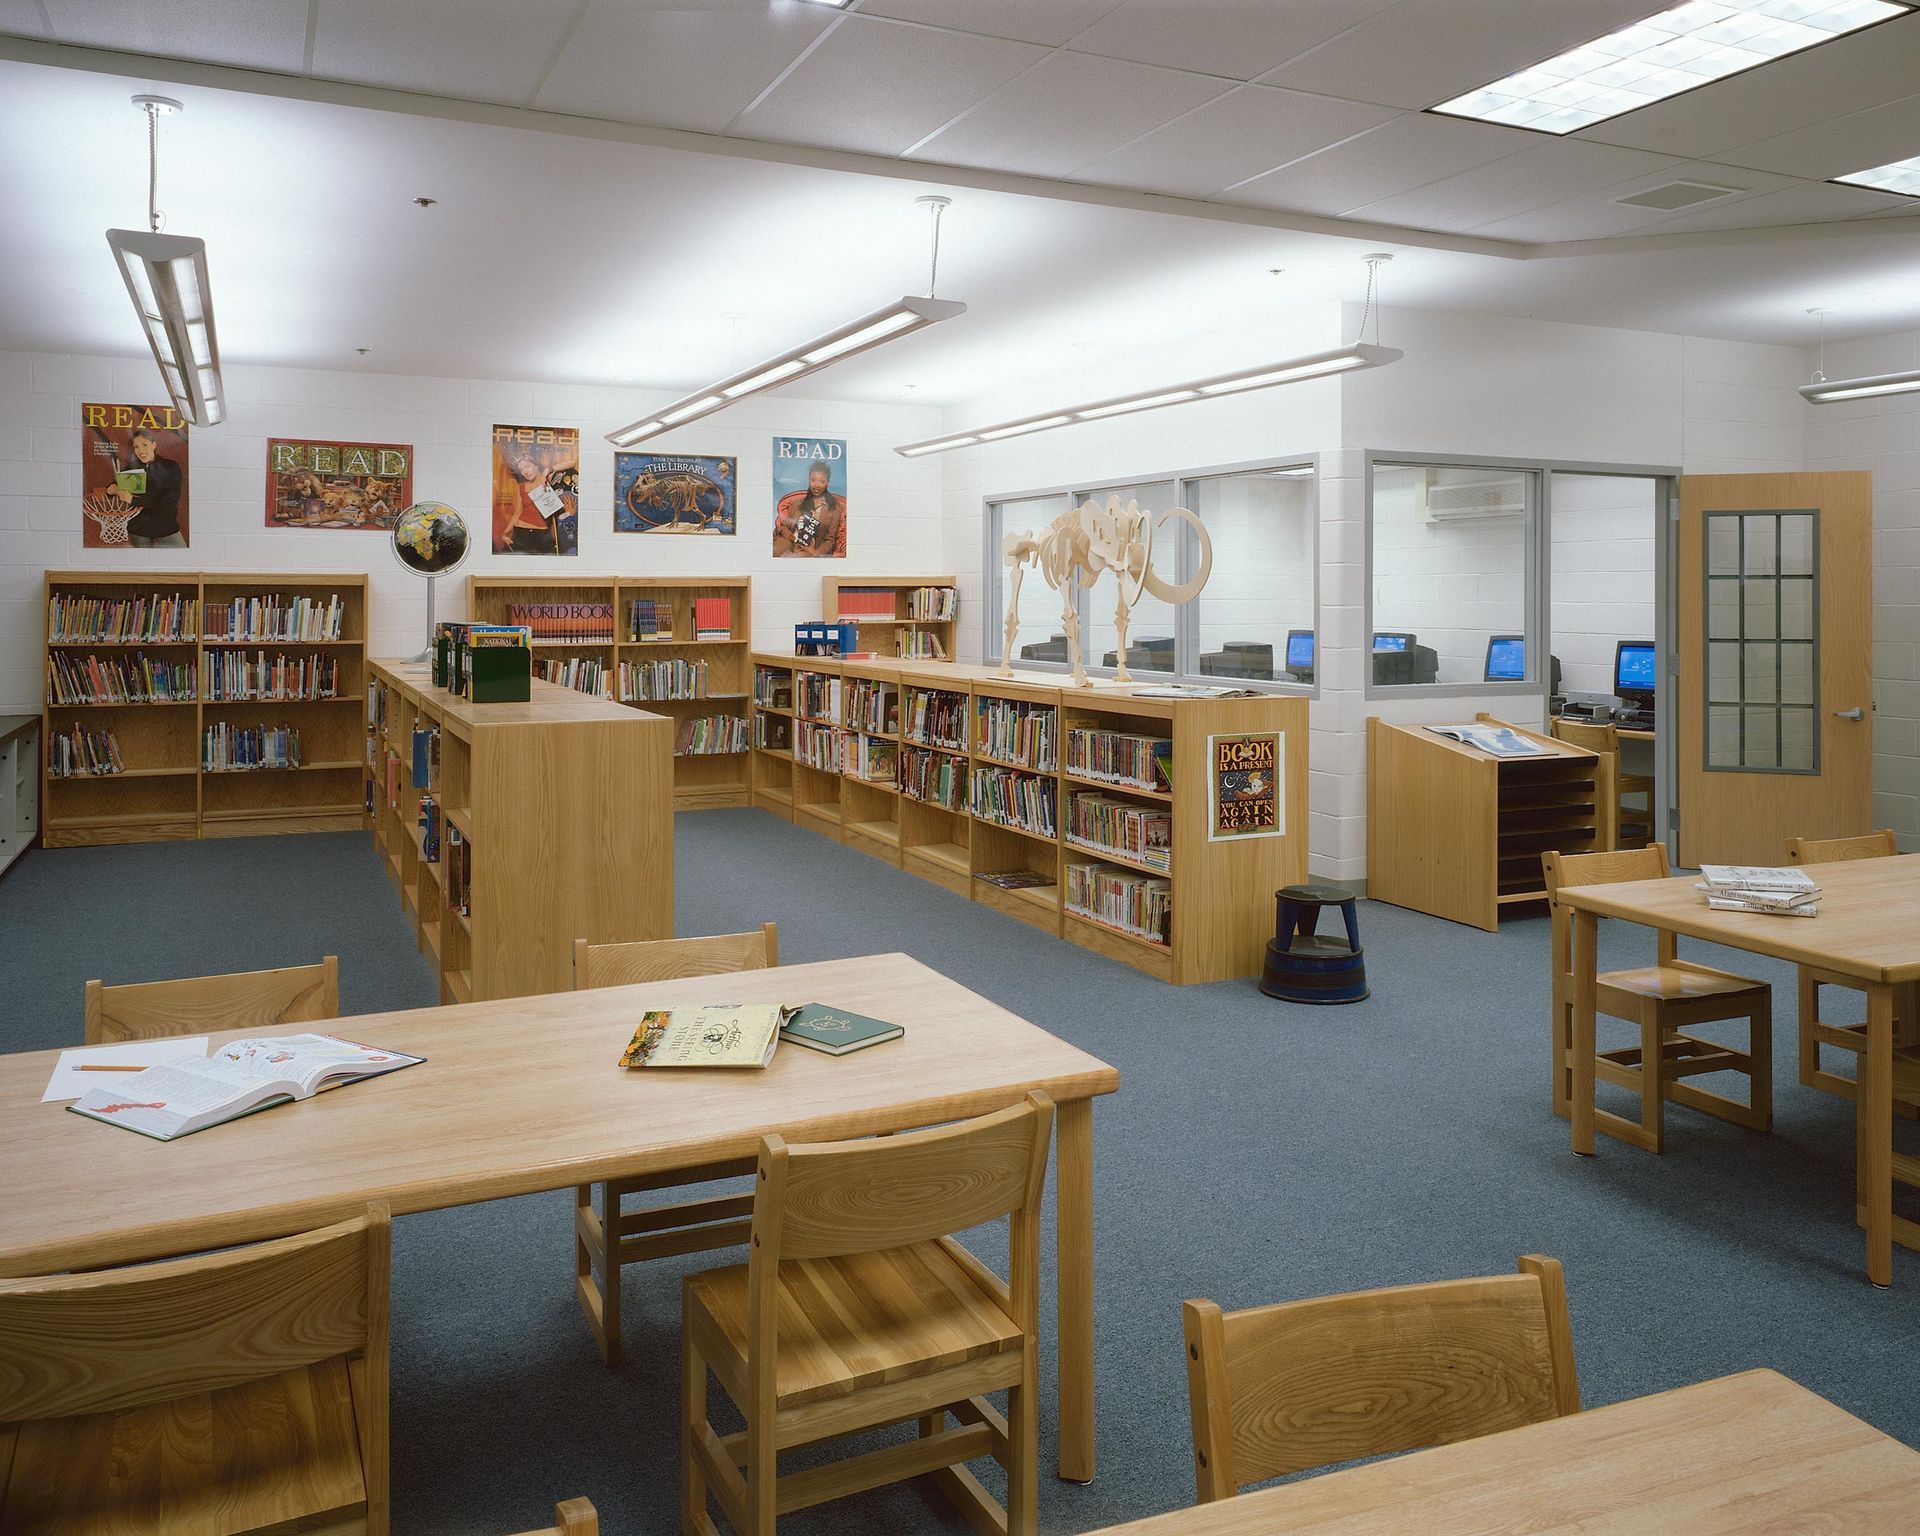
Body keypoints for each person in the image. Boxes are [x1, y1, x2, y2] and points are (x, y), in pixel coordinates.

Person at [114, 430, 185, 548]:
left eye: (144, 445)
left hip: (166, 530)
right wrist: (111, 489)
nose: (140, 450)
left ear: (154, 445)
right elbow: (117, 486)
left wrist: (133, 500)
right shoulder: (131, 469)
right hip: (139, 531)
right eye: (136, 446)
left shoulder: (171, 467)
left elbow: (168, 502)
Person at [772, 461, 847, 557]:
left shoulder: (833, 508)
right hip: (791, 542)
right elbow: (784, 526)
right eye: (813, 480)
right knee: (774, 551)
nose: (817, 485)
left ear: (827, 483)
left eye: (822, 481)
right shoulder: (798, 503)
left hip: (811, 549)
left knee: (794, 558)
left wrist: (816, 553)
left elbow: (830, 540)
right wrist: (784, 531)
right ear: (808, 481)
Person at [504, 452, 561, 554]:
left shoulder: (548, 479)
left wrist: (546, 472)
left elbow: (572, 463)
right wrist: (505, 534)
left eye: (527, 466)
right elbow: (517, 512)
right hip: (521, 533)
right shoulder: (521, 487)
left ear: (536, 465)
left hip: (543, 535)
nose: (525, 471)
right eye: (521, 469)